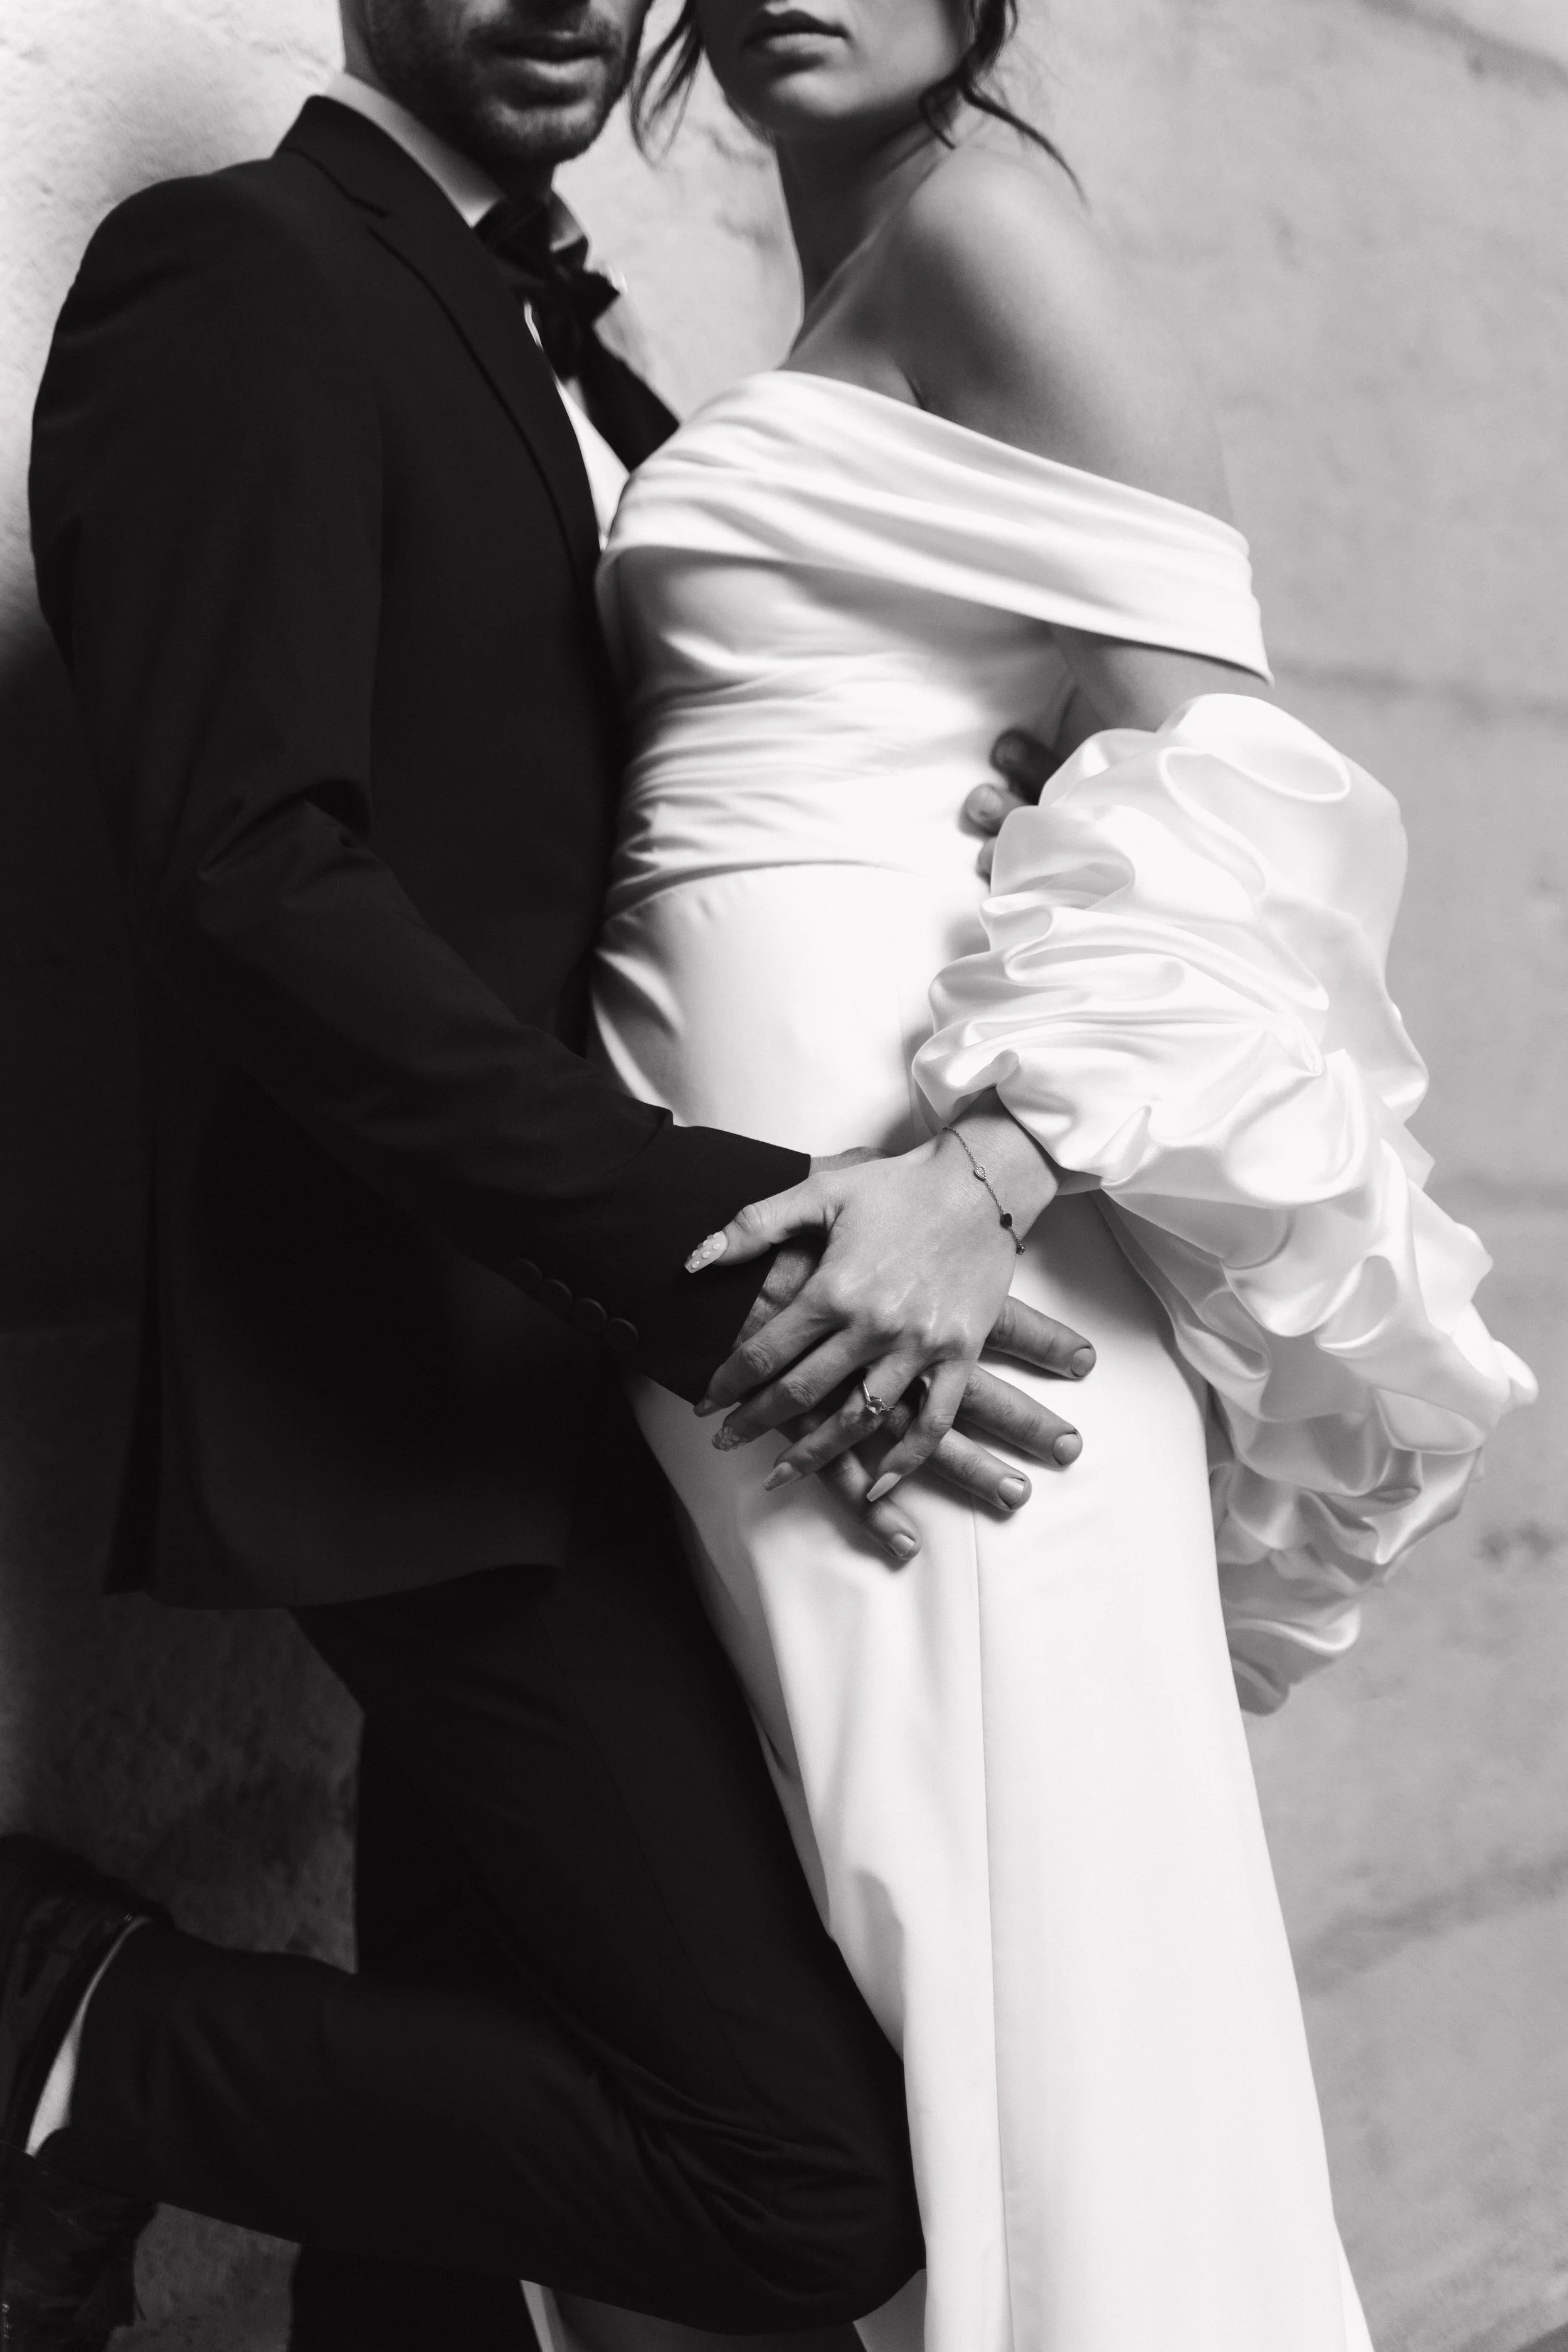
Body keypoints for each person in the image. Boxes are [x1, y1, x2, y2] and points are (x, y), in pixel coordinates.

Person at [4, 3, 1101, 2347]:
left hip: (578, 1380)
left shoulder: (557, 333)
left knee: (448, 2181)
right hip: (428, 1370)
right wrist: (709, 1259)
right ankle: (72, 2024)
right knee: (799, 2178)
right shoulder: (242, 269)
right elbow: (247, 879)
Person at [586, 3, 1537, 2348]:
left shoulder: (987, 226)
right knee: (870, 2007)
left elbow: (1241, 793)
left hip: (919, 1284)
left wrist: (977, 1176)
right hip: (754, 1282)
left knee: (1038, 2020)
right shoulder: (830, 289)